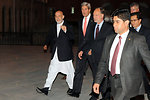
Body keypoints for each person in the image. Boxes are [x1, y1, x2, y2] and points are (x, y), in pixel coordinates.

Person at [93, 9, 150, 100]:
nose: (114, 24)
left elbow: (148, 60)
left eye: (117, 22)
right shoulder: (109, 39)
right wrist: (97, 81)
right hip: (112, 82)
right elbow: (103, 62)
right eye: (113, 22)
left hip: (129, 84)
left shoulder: (137, 39)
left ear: (126, 22)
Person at [36, 10, 75, 95]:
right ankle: (46, 88)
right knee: (51, 70)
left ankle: (72, 88)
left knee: (70, 72)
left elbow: (72, 38)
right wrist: (46, 44)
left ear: (63, 16)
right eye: (56, 16)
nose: (57, 18)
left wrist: (66, 31)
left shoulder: (68, 26)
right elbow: (49, 36)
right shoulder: (53, 26)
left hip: (65, 54)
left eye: (59, 16)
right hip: (55, 53)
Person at [67, 2, 95, 98]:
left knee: (95, 71)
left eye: (85, 9)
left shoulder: (94, 20)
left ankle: (95, 91)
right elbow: (81, 37)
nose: (83, 11)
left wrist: (92, 48)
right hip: (82, 49)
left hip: (91, 50)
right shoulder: (80, 21)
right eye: (82, 9)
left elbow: (96, 36)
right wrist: (80, 49)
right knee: (78, 70)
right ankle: (76, 91)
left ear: (89, 9)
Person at [88, 7, 113, 100]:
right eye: (93, 15)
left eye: (96, 15)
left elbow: (110, 43)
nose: (94, 17)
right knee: (96, 76)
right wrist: (88, 49)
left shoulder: (109, 27)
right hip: (93, 57)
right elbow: (89, 40)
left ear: (102, 15)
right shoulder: (91, 26)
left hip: (103, 57)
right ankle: (95, 95)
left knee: (104, 78)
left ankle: (106, 97)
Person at [130, 12, 150, 100]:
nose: (132, 22)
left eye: (134, 20)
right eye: (131, 21)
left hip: (143, 59)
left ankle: (147, 91)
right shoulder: (130, 31)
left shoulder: (147, 31)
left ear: (140, 20)